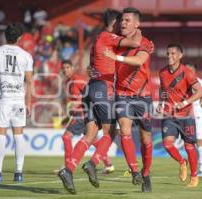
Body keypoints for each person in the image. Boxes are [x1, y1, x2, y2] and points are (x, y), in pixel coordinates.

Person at [57, 9, 141, 194]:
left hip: (91, 88)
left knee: (90, 135)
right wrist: (137, 26)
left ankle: (68, 170)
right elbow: (135, 42)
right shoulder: (108, 36)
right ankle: (93, 163)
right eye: (122, 22)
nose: (123, 26)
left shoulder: (100, 38)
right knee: (111, 131)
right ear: (115, 23)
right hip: (103, 88)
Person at [103, 7, 154, 192]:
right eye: (122, 20)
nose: (123, 23)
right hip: (122, 94)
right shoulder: (117, 42)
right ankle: (135, 171)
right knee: (124, 130)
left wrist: (115, 57)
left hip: (143, 96)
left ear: (137, 24)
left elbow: (139, 60)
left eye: (127, 20)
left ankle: (146, 172)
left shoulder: (145, 43)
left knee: (145, 138)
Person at [0, 24, 33, 182]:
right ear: (19, 38)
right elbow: (29, 82)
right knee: (19, 136)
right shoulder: (26, 56)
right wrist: (28, 103)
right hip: (18, 99)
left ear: (5, 36)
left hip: (2, 99)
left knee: (0, 135)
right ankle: (18, 173)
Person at [157, 43, 202, 188]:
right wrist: (160, 103)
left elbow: (200, 92)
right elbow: (162, 89)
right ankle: (182, 162)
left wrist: (185, 103)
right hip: (169, 114)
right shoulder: (162, 72)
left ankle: (194, 176)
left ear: (180, 56)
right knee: (166, 144)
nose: (170, 56)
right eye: (168, 54)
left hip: (186, 115)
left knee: (189, 146)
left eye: (173, 54)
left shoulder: (187, 72)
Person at [60, 60, 113, 172]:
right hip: (78, 113)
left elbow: (89, 95)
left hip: (82, 113)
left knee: (66, 137)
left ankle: (68, 165)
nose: (65, 70)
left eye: (68, 67)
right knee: (91, 139)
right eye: (63, 68)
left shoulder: (78, 80)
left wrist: (80, 103)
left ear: (73, 68)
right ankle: (108, 164)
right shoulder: (68, 83)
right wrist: (68, 116)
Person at [186, 64, 202, 177]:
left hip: (198, 115)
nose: (188, 72)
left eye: (191, 70)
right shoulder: (182, 82)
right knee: (190, 143)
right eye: (187, 70)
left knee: (200, 141)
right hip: (186, 115)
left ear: (195, 72)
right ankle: (197, 166)